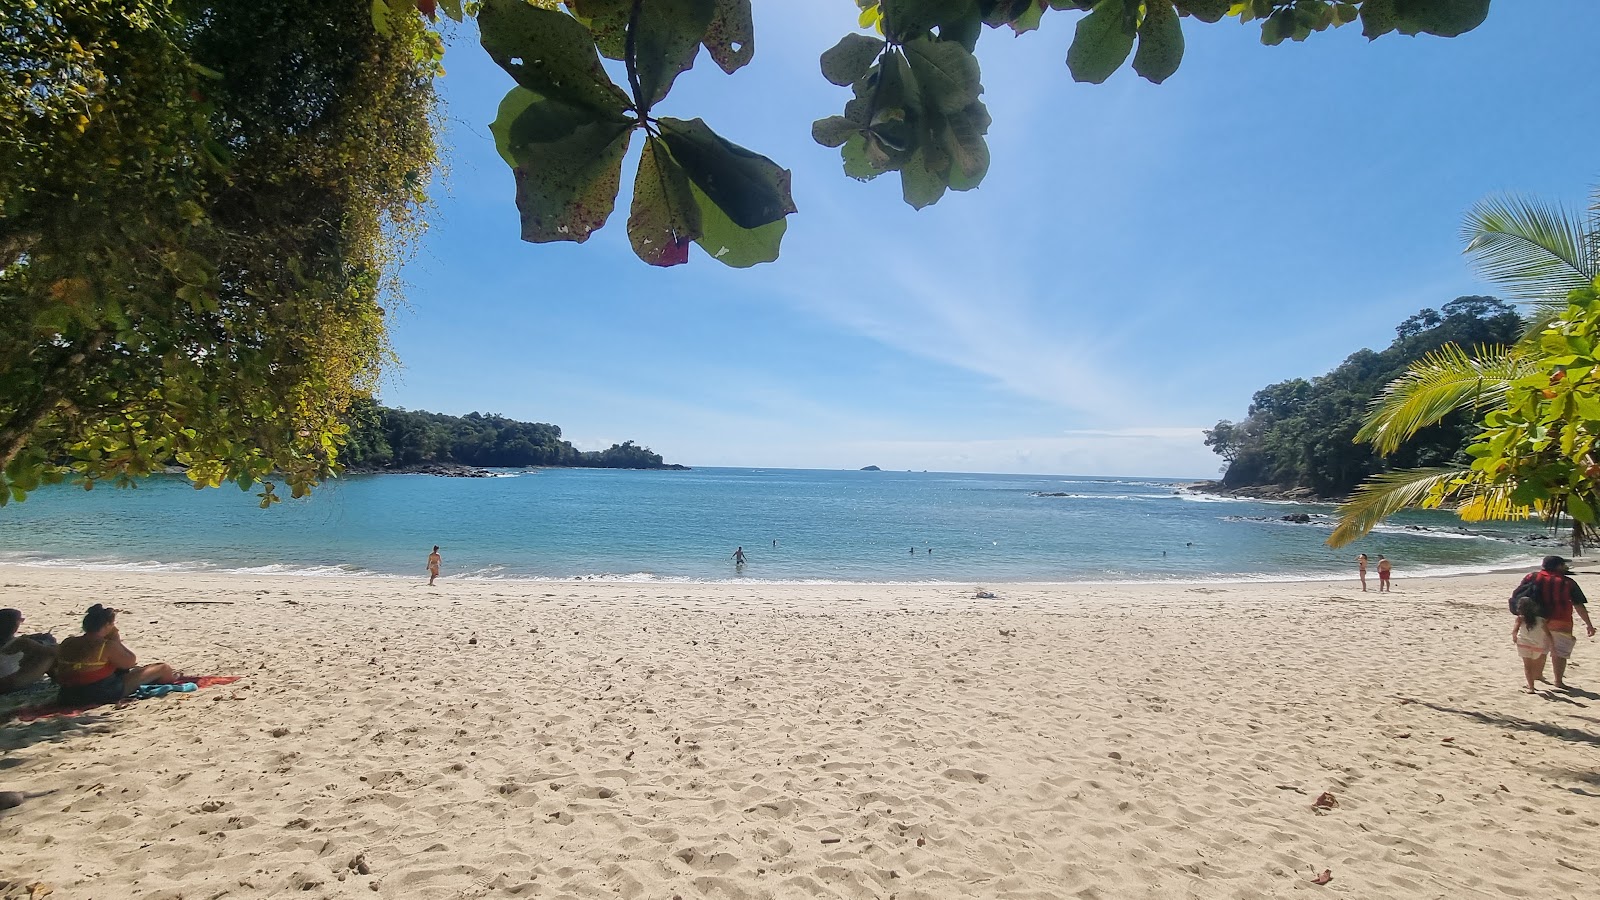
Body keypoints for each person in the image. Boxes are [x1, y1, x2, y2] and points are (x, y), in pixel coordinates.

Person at [51, 604, 176, 706]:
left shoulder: (68, 642)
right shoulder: (106, 645)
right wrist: (116, 639)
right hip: (99, 693)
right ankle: (168, 684)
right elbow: (130, 661)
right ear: (106, 625)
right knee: (163, 668)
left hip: (67, 694)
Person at [1514, 556, 1597, 689]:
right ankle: (1558, 681)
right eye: (1563, 565)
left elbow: (1522, 597)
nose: (1565, 567)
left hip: (1537, 619)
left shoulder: (1531, 577)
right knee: (1560, 651)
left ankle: (1538, 675)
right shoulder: (1567, 582)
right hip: (1561, 620)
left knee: (1540, 648)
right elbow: (1579, 605)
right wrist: (1589, 624)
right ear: (1558, 566)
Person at [0, 609, 56, 695]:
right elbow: (51, 652)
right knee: (49, 656)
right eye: (20, 620)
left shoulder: (12, 641)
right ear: (15, 624)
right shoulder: (21, 642)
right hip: (8, 683)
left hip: (5, 680)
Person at [1511, 587, 1553, 693]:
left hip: (1523, 643)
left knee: (1527, 666)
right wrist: (1552, 645)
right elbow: (1548, 634)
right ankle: (1533, 682)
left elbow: (1515, 631)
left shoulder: (1520, 618)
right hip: (1538, 645)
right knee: (1534, 665)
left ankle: (1531, 687)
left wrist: (1514, 638)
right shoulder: (1541, 620)